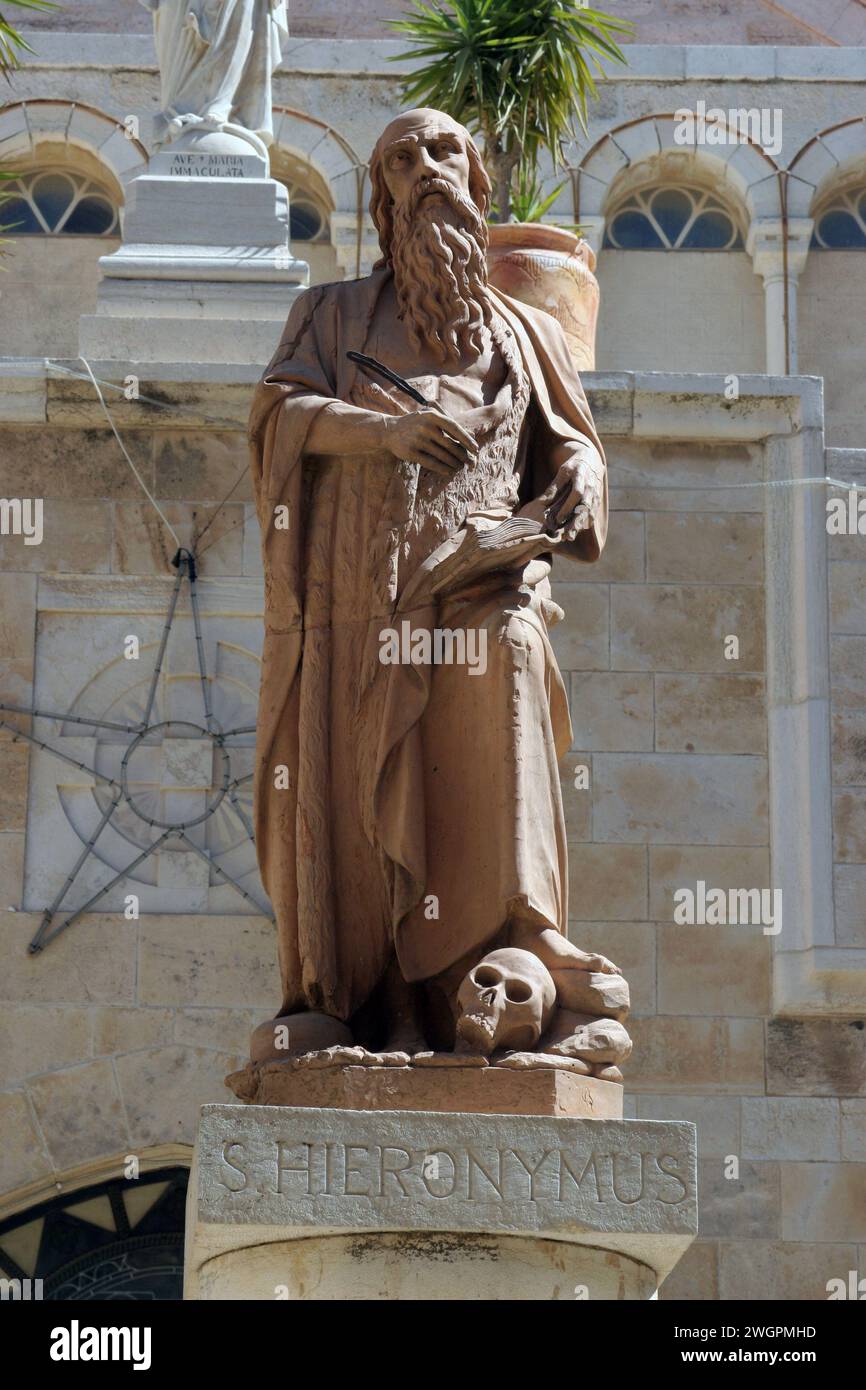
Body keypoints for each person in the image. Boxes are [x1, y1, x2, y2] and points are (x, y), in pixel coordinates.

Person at [249, 108, 618, 1053]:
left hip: (481, 588)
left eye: (444, 151)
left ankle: (512, 955)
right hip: (355, 600)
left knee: (510, 659)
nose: (428, 169)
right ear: (382, 197)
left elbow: (575, 450)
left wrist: (575, 478)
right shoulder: (332, 315)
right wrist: (385, 433)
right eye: (404, 159)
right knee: (354, 784)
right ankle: (361, 997)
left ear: (478, 176)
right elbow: (278, 417)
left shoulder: (529, 331)